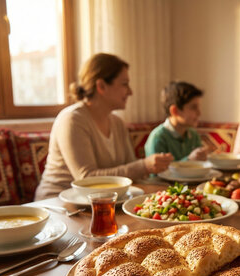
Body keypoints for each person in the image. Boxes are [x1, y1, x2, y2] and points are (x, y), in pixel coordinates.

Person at [35, 53, 174, 200]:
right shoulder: (72, 120)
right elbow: (86, 178)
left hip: (103, 202)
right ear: (101, 86)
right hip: (57, 204)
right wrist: (144, 166)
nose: (130, 92)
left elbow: (131, 172)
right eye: (124, 84)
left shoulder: (118, 123)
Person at [144, 81, 208, 161]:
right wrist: (189, 160)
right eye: (193, 107)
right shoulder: (158, 138)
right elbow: (156, 172)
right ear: (174, 111)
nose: (199, 113)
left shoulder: (194, 135)